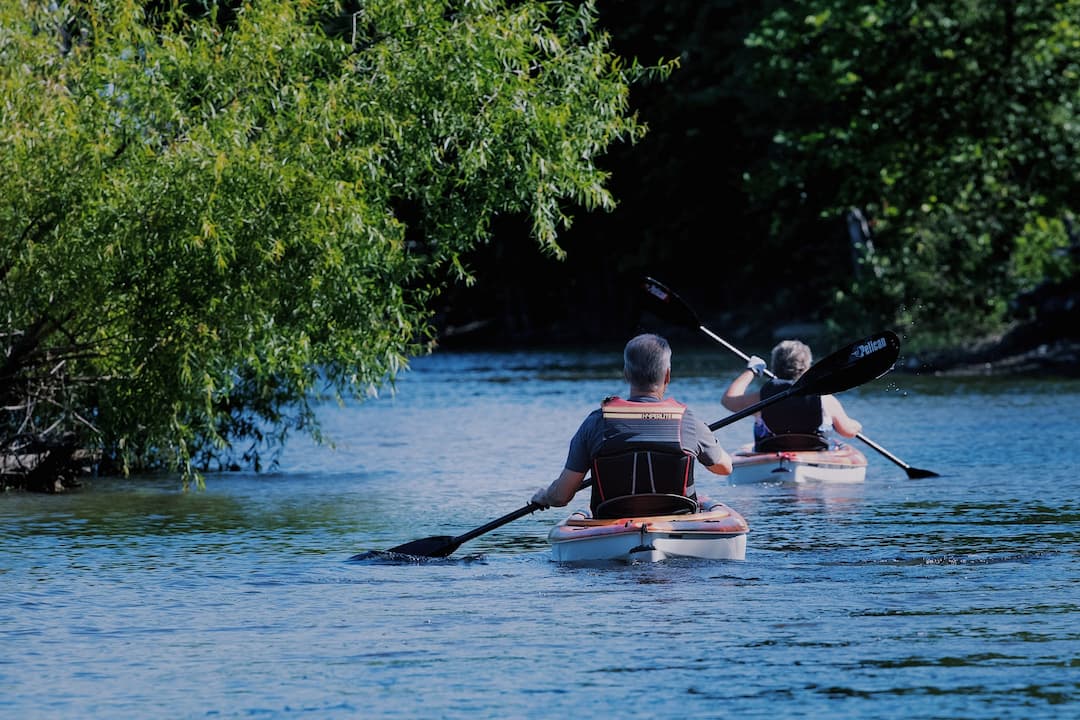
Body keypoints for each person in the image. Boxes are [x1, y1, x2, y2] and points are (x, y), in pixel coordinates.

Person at [531, 333, 732, 516]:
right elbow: (724, 468)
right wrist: (705, 435)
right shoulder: (688, 422)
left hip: (612, 521)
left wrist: (545, 495)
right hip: (677, 521)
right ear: (668, 375)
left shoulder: (596, 423)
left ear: (626, 373)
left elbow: (561, 497)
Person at [721, 339, 862, 451]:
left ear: (775, 365)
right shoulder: (824, 398)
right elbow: (848, 431)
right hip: (813, 455)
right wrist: (857, 425)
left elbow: (728, 400)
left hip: (771, 453)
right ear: (807, 367)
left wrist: (751, 371)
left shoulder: (764, 397)